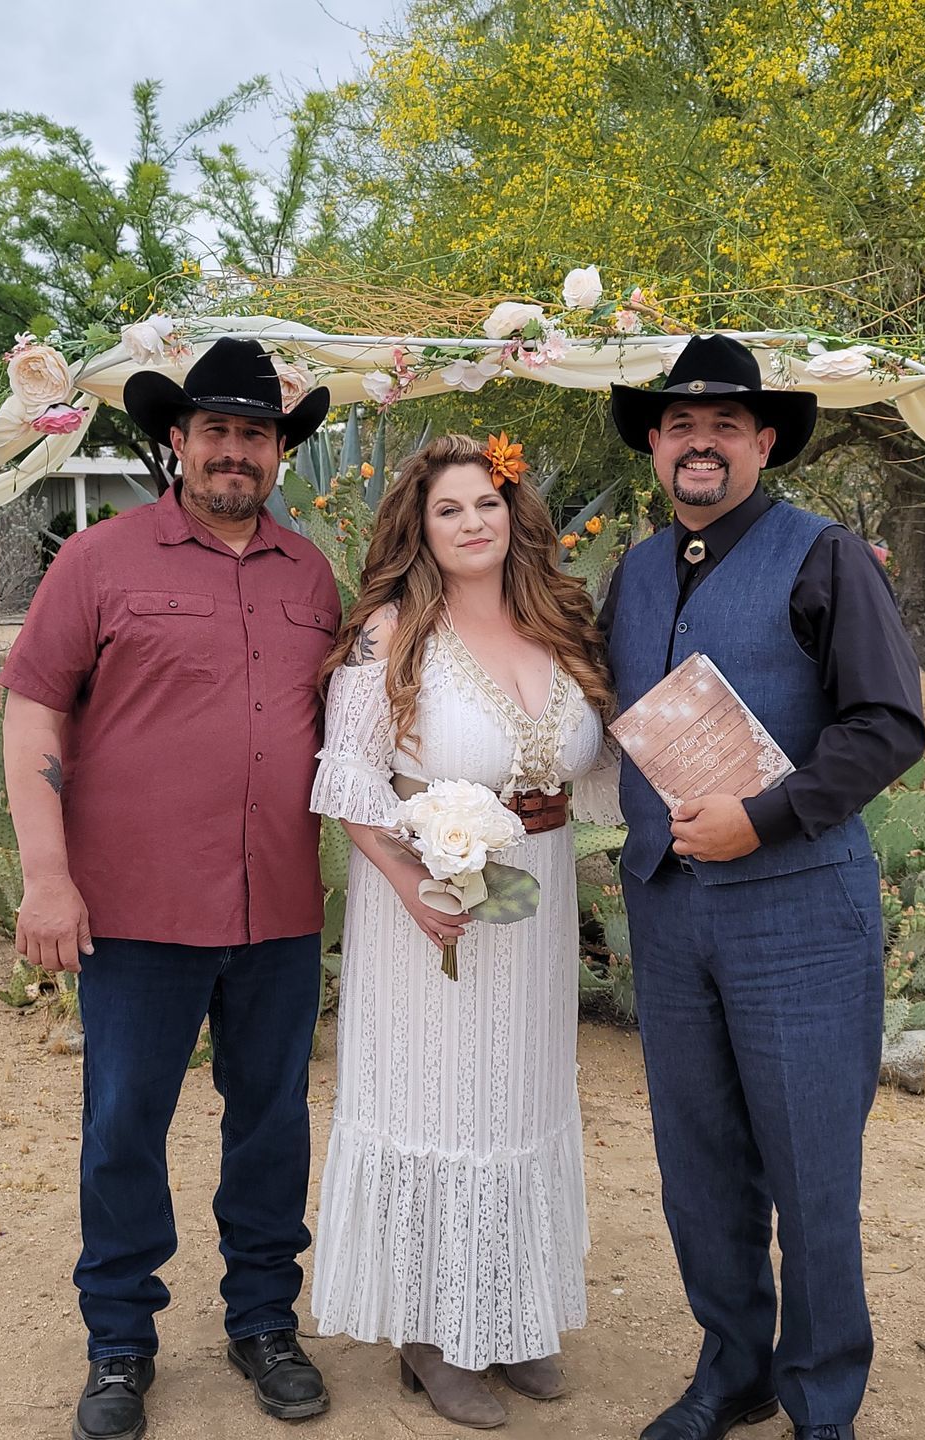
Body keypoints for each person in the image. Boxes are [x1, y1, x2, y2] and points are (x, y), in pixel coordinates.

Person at [0, 337, 340, 1440]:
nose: (235, 450)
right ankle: (119, 1344)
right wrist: (46, 877)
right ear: (178, 441)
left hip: (278, 907)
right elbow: (33, 713)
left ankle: (263, 1324)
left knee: (272, 1126)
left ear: (279, 451)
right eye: (216, 430)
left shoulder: (312, 575)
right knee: (124, 1127)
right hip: (137, 910)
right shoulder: (99, 560)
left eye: (256, 432)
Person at [599, 336, 925, 1440]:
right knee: (699, 1168)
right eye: (681, 423)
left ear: (764, 441)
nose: (702, 440)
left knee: (810, 1170)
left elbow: (888, 725)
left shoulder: (825, 555)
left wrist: (765, 817)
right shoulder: (637, 570)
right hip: (668, 906)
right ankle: (732, 1369)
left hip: (798, 912)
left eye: (726, 424)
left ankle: (821, 1398)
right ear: (655, 444)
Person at [308, 433, 620, 1430]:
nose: (472, 522)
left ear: (515, 511)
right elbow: (350, 778)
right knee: (439, 1101)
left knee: (518, 1096)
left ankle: (507, 1310)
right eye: (450, 510)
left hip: (534, 900)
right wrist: (411, 887)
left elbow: (600, 763)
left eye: (487, 503)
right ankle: (430, 1334)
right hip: (428, 908)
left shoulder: (560, 625)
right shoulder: (390, 634)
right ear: (421, 527)